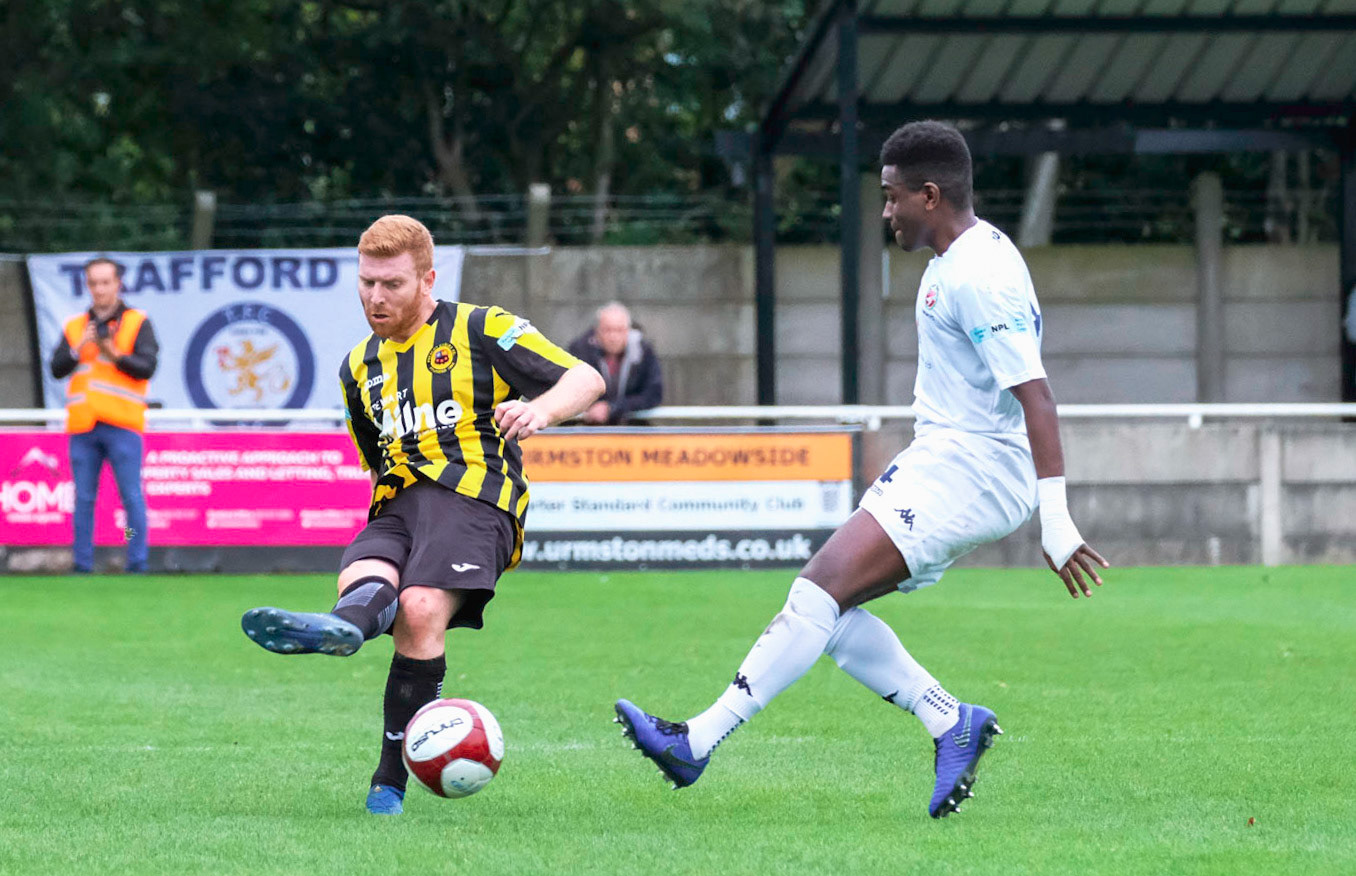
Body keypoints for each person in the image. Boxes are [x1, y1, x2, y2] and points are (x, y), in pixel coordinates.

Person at [614, 121, 1108, 819]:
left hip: (974, 471)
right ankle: (950, 721)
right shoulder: (962, 257)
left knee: (818, 592)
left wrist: (1054, 518)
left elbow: (1038, 395)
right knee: (830, 608)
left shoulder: (979, 275)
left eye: (892, 197)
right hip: (946, 460)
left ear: (929, 196)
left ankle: (696, 741)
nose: (885, 212)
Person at [239, 214, 604, 815]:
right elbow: (375, 458)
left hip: (476, 496)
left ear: (428, 279)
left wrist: (541, 411)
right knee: (364, 581)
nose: (376, 298)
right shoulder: (357, 367)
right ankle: (347, 628)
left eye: (392, 285)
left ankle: (388, 779)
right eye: (367, 284)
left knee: (420, 607)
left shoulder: (482, 327)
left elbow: (585, 377)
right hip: (399, 502)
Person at [48, 257, 159, 574]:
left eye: (105, 282)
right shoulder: (75, 326)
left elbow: (147, 367)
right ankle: (82, 563)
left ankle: (135, 560)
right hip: (84, 425)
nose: (99, 289)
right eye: (93, 283)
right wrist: (78, 347)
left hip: (123, 423)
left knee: (130, 498)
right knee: (83, 499)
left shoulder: (137, 322)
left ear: (118, 284)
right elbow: (56, 368)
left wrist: (114, 353)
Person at [567, 302, 663, 424]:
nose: (613, 337)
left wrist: (613, 408)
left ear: (628, 330)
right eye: (607, 330)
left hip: (632, 431)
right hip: (589, 430)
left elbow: (653, 394)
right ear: (597, 331)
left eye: (619, 330)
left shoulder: (643, 351)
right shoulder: (580, 350)